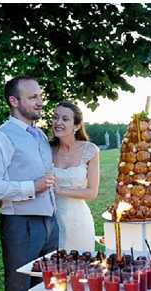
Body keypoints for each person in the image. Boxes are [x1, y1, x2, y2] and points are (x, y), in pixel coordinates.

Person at [0, 76, 59, 291]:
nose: (40, 102)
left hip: (49, 223)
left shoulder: (41, 135)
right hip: (20, 225)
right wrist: (31, 187)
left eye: (40, 96)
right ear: (13, 101)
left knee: (46, 288)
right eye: (33, 97)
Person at [50, 101, 100, 253]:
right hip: (51, 220)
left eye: (65, 119)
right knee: (54, 270)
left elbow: (92, 193)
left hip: (79, 220)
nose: (58, 122)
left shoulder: (90, 150)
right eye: (55, 117)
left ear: (77, 126)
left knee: (80, 269)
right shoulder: (46, 149)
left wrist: (60, 190)